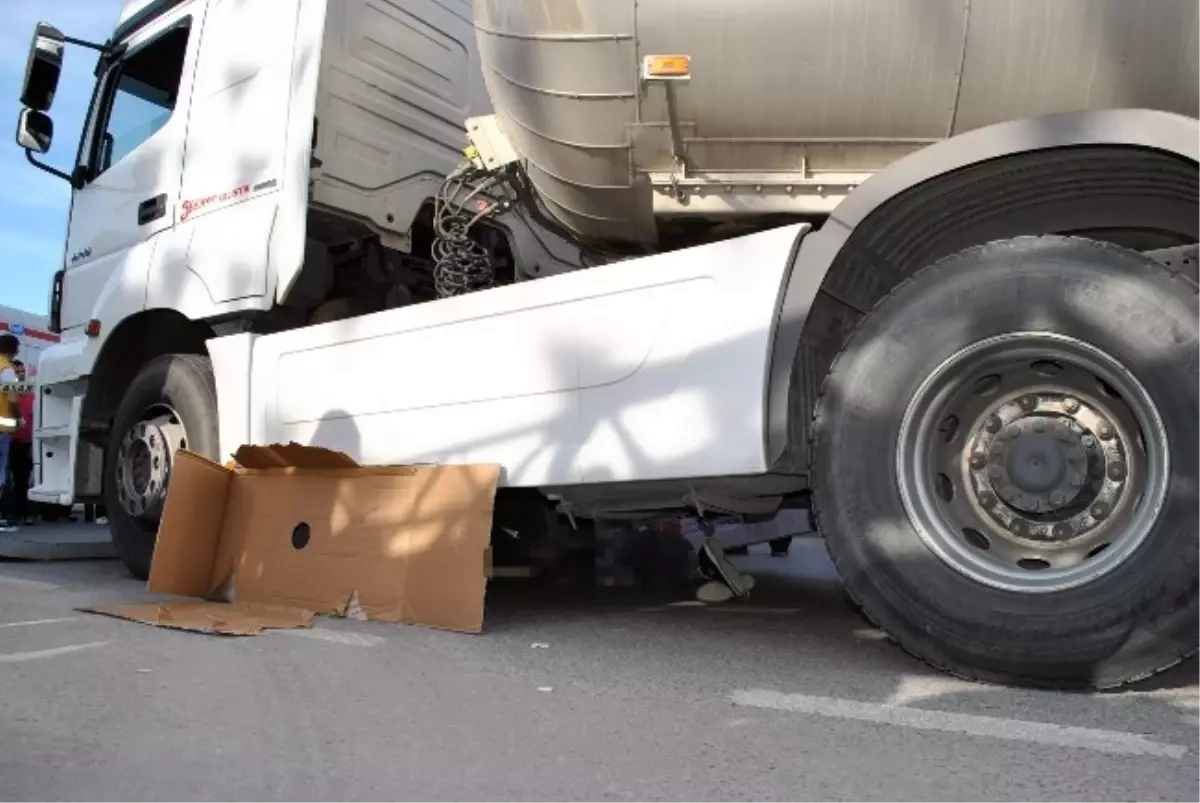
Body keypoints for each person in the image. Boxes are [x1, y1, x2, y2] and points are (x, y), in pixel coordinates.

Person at [3, 360, 34, 526]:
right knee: (6, 480)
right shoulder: (6, 393)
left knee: (23, 480)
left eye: (22, 372)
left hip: (24, 443)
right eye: (17, 372)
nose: (20, 374)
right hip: (8, 440)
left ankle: (22, 513)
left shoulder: (30, 394)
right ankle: (9, 514)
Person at [0, 333, 20, 532]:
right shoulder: (7, 369)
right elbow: (13, 398)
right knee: (2, 474)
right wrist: (19, 418)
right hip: (2, 428)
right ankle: (3, 518)